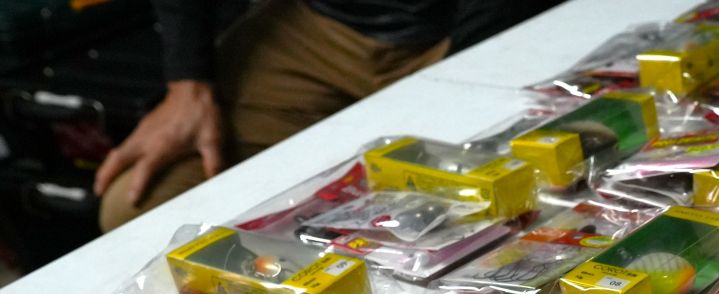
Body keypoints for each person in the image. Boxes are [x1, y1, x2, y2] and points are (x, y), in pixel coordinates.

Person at [93, 0, 528, 232]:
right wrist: (187, 83)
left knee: (480, 209)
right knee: (137, 208)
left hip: (471, 28)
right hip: (318, 25)